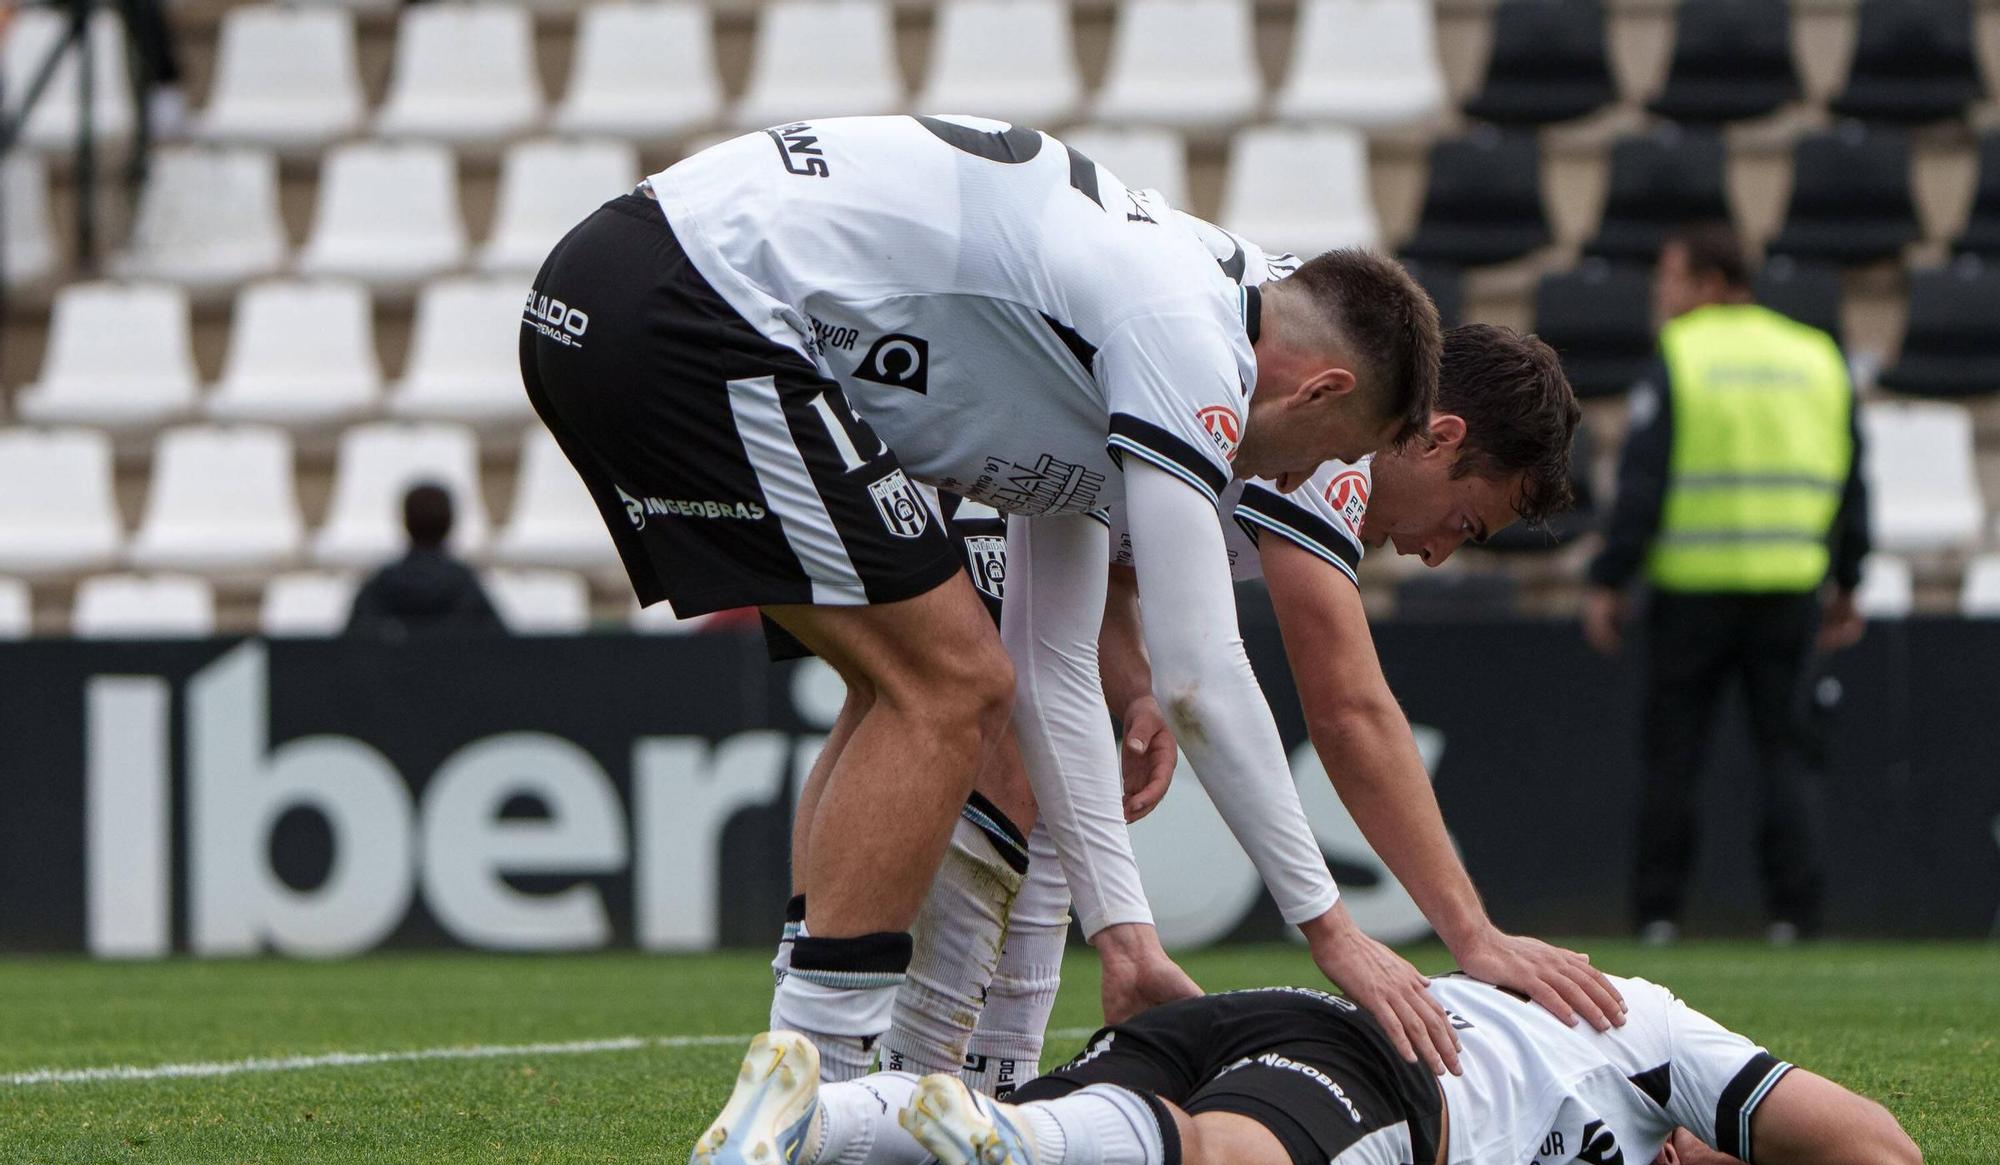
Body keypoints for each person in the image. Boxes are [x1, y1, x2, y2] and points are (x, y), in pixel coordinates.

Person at [522, 114, 1453, 1084]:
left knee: (924, 682)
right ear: (1318, 390)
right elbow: (1198, 675)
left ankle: (819, 1075)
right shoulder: (1188, 337)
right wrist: (1331, 929)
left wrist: (1123, 934)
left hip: (623, 287)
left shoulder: (1130, 340)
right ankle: (820, 1089)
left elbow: (1051, 672)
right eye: (1334, 451)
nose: (1311, 479)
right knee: (948, 683)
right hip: (691, 299)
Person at [804, 215, 1618, 1105]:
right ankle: (900, 1090)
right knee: (991, 740)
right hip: (956, 422)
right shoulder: (1346, 443)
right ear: (1438, 437)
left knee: (1007, 762)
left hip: (974, 427)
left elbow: (1103, 533)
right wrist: (1472, 934)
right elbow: (1347, 707)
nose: (1435, 555)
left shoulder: (1299, 359)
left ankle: (935, 1092)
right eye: (1463, 522)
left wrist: (1140, 677)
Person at [685, 970, 1920, 1165]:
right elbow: (1879, 1154)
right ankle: (999, 1130)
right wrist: (1715, 1155)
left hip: (1228, 1013)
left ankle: (813, 1125)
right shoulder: (1645, 1023)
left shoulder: (1525, 984)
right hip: (1389, 1067)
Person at [1581, 223, 1871, 945]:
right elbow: (1851, 483)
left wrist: (1610, 578)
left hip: (1692, 590)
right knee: (1787, 756)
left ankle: (1658, 914)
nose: (1662, 295)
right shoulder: (1817, 356)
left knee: (1674, 757)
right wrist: (1848, 580)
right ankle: (1794, 916)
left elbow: (1642, 484)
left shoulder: (1683, 356)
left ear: (1713, 283)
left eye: (1672, 279)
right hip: (1790, 588)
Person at [343, 483, 504, 639]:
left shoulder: (379, 586)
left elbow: (351, 645)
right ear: (449, 522)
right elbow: (502, 648)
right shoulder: (465, 587)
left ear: (405, 522)